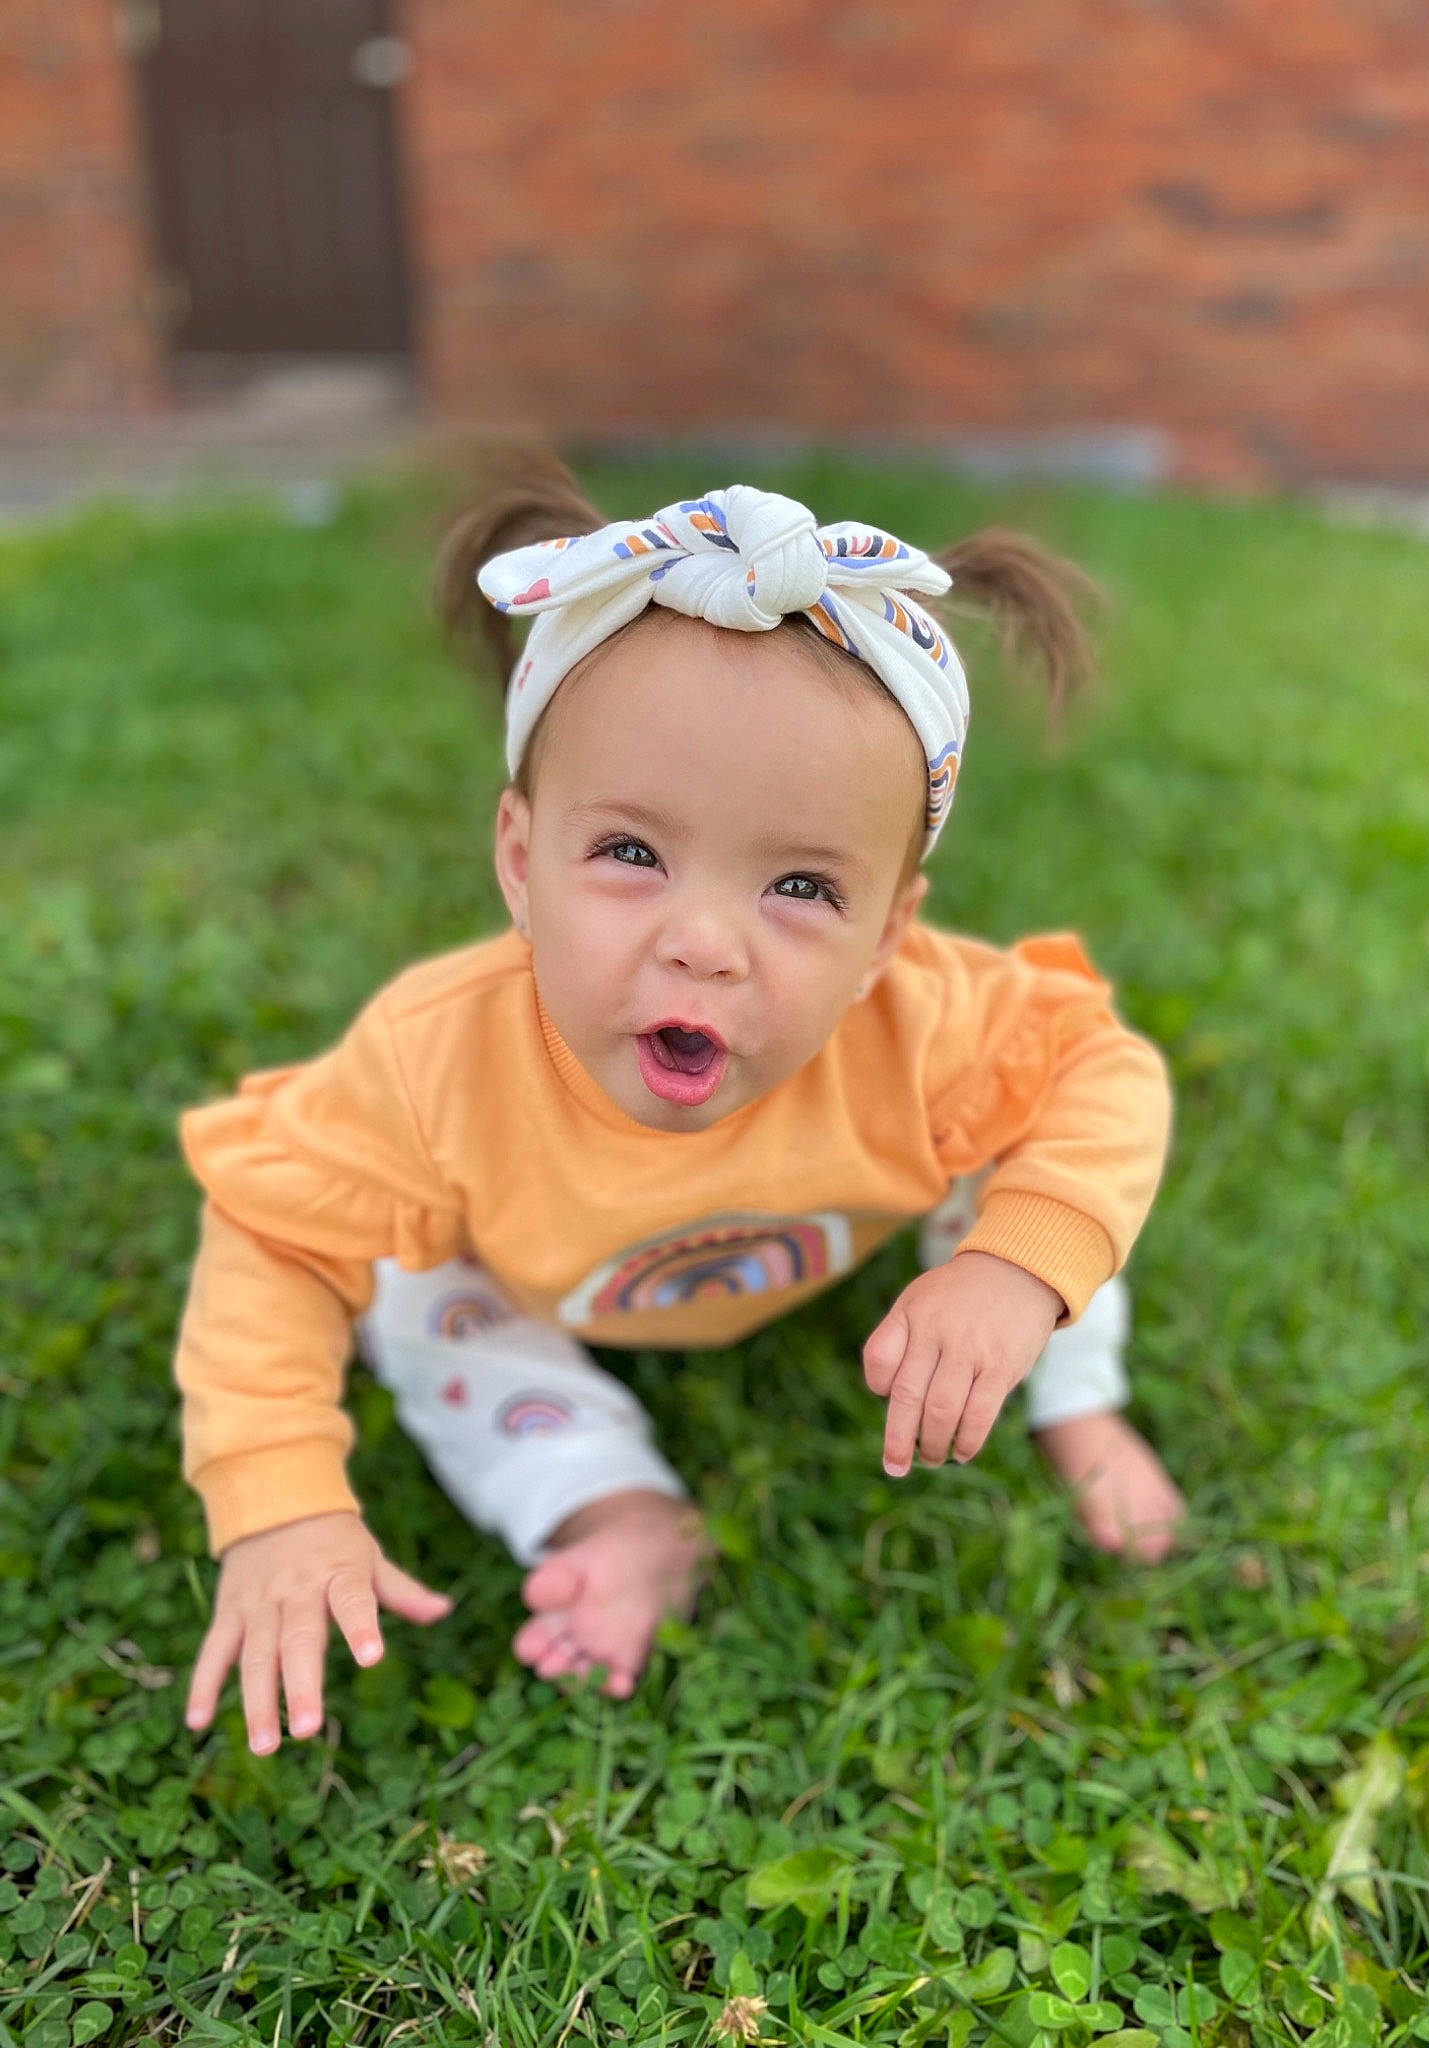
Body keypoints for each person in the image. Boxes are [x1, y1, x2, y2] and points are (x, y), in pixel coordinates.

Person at [175, 451, 1184, 1754]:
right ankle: (615, 1509)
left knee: (1042, 1172)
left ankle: (1073, 1400)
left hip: (874, 1237)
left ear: (888, 934)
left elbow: (1106, 1073)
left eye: (803, 890)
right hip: (532, 1276)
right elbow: (268, 1234)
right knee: (412, 1296)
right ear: (520, 861)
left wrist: (1015, 1271)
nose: (706, 943)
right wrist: (279, 1504)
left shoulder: (922, 1021)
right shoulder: (434, 1067)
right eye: (632, 856)